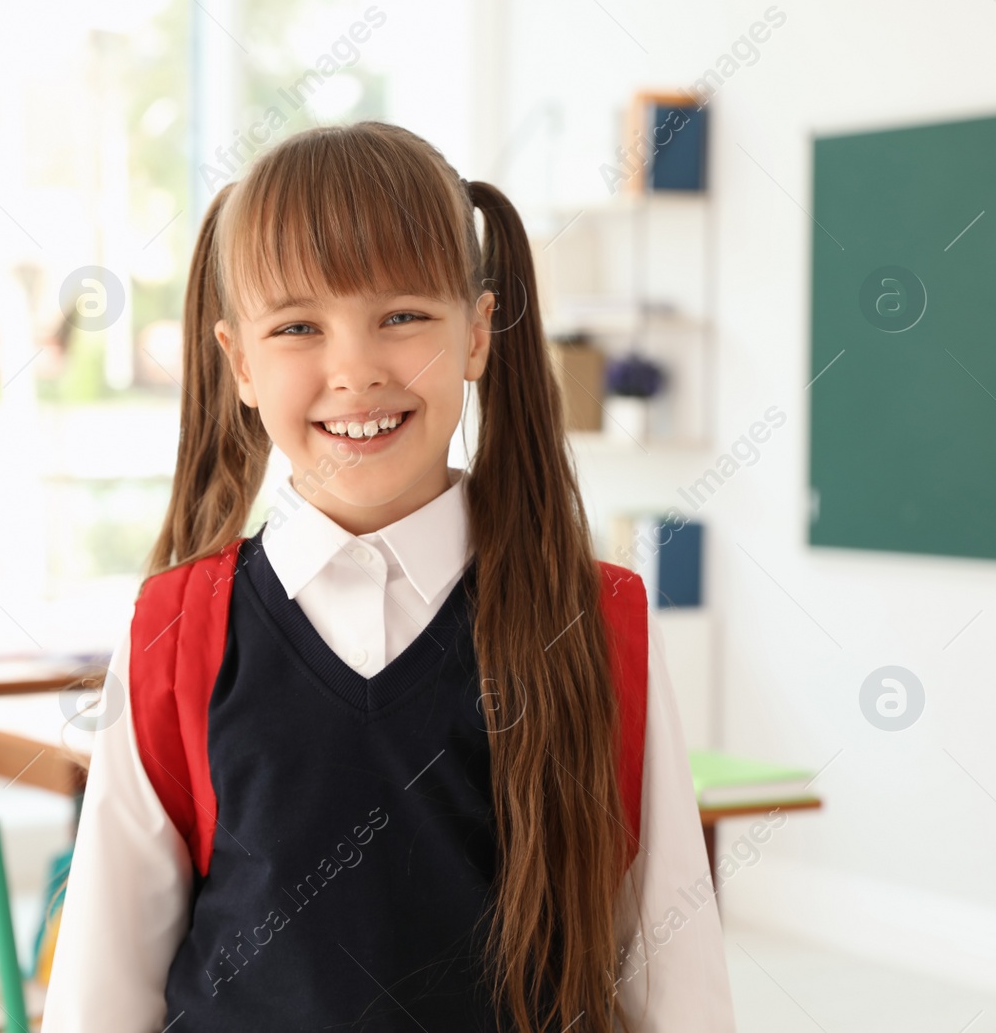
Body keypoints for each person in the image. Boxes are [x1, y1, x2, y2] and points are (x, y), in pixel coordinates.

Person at [41, 121, 734, 1032]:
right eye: (298, 327)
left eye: (402, 316)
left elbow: (672, 974)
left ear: (480, 333)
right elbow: (106, 978)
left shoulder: (595, 620)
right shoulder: (180, 628)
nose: (355, 370)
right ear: (242, 363)